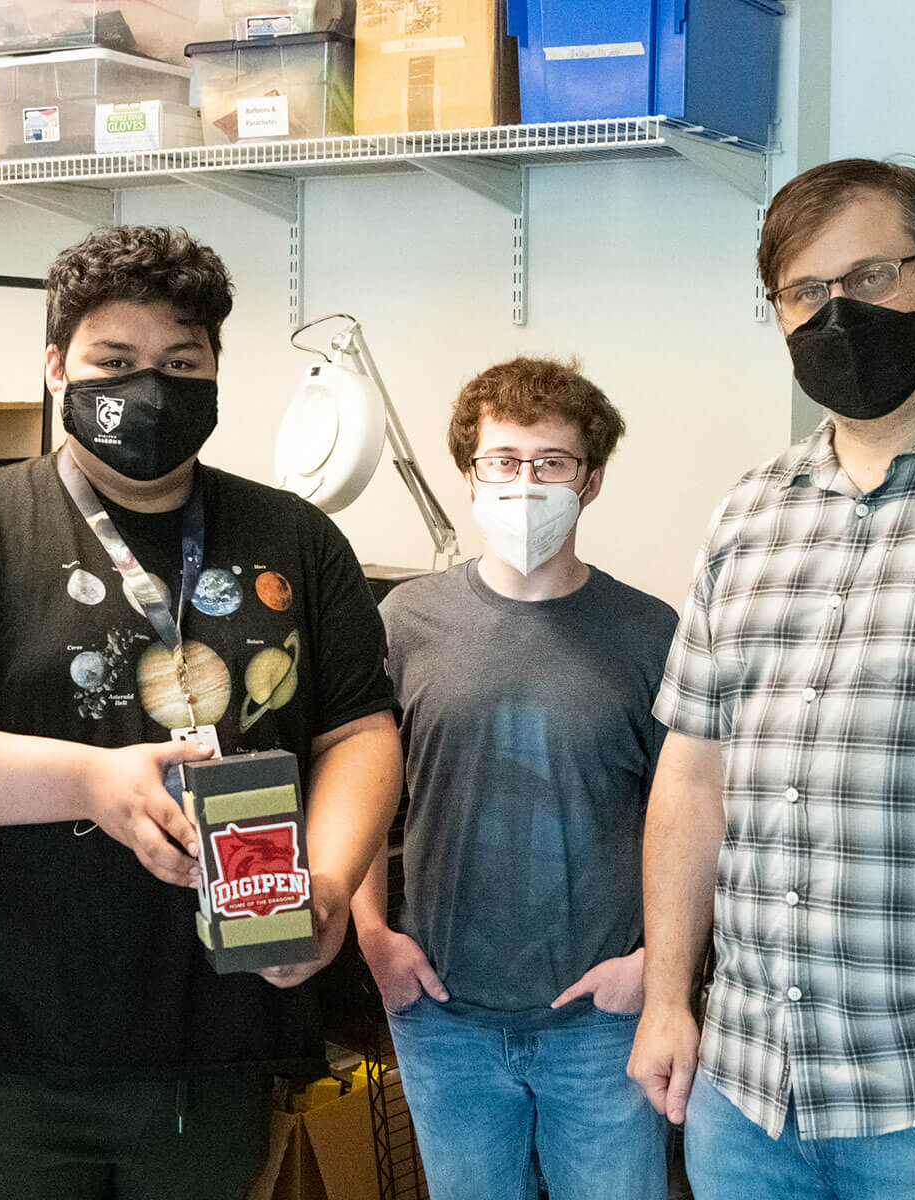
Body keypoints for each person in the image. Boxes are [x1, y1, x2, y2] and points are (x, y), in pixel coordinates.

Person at [0, 224, 402, 1200]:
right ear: (56, 367)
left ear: (217, 372)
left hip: (210, 1042)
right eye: (115, 361)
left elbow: (357, 729)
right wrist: (87, 779)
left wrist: (332, 880)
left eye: (181, 364)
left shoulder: (294, 538)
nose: (149, 388)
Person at [629, 157, 915, 1200]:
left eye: (871, 278)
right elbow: (691, 777)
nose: (836, 314)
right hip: (748, 1098)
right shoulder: (749, 512)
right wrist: (668, 996)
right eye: (804, 293)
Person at [353, 357, 677, 1199]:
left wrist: (656, 964)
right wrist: (371, 935)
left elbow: (688, 818)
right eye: (502, 460)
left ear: (592, 480)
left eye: (552, 463)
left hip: (601, 1023)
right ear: (469, 475)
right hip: (443, 1018)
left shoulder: (652, 632)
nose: (524, 482)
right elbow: (359, 786)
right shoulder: (404, 623)